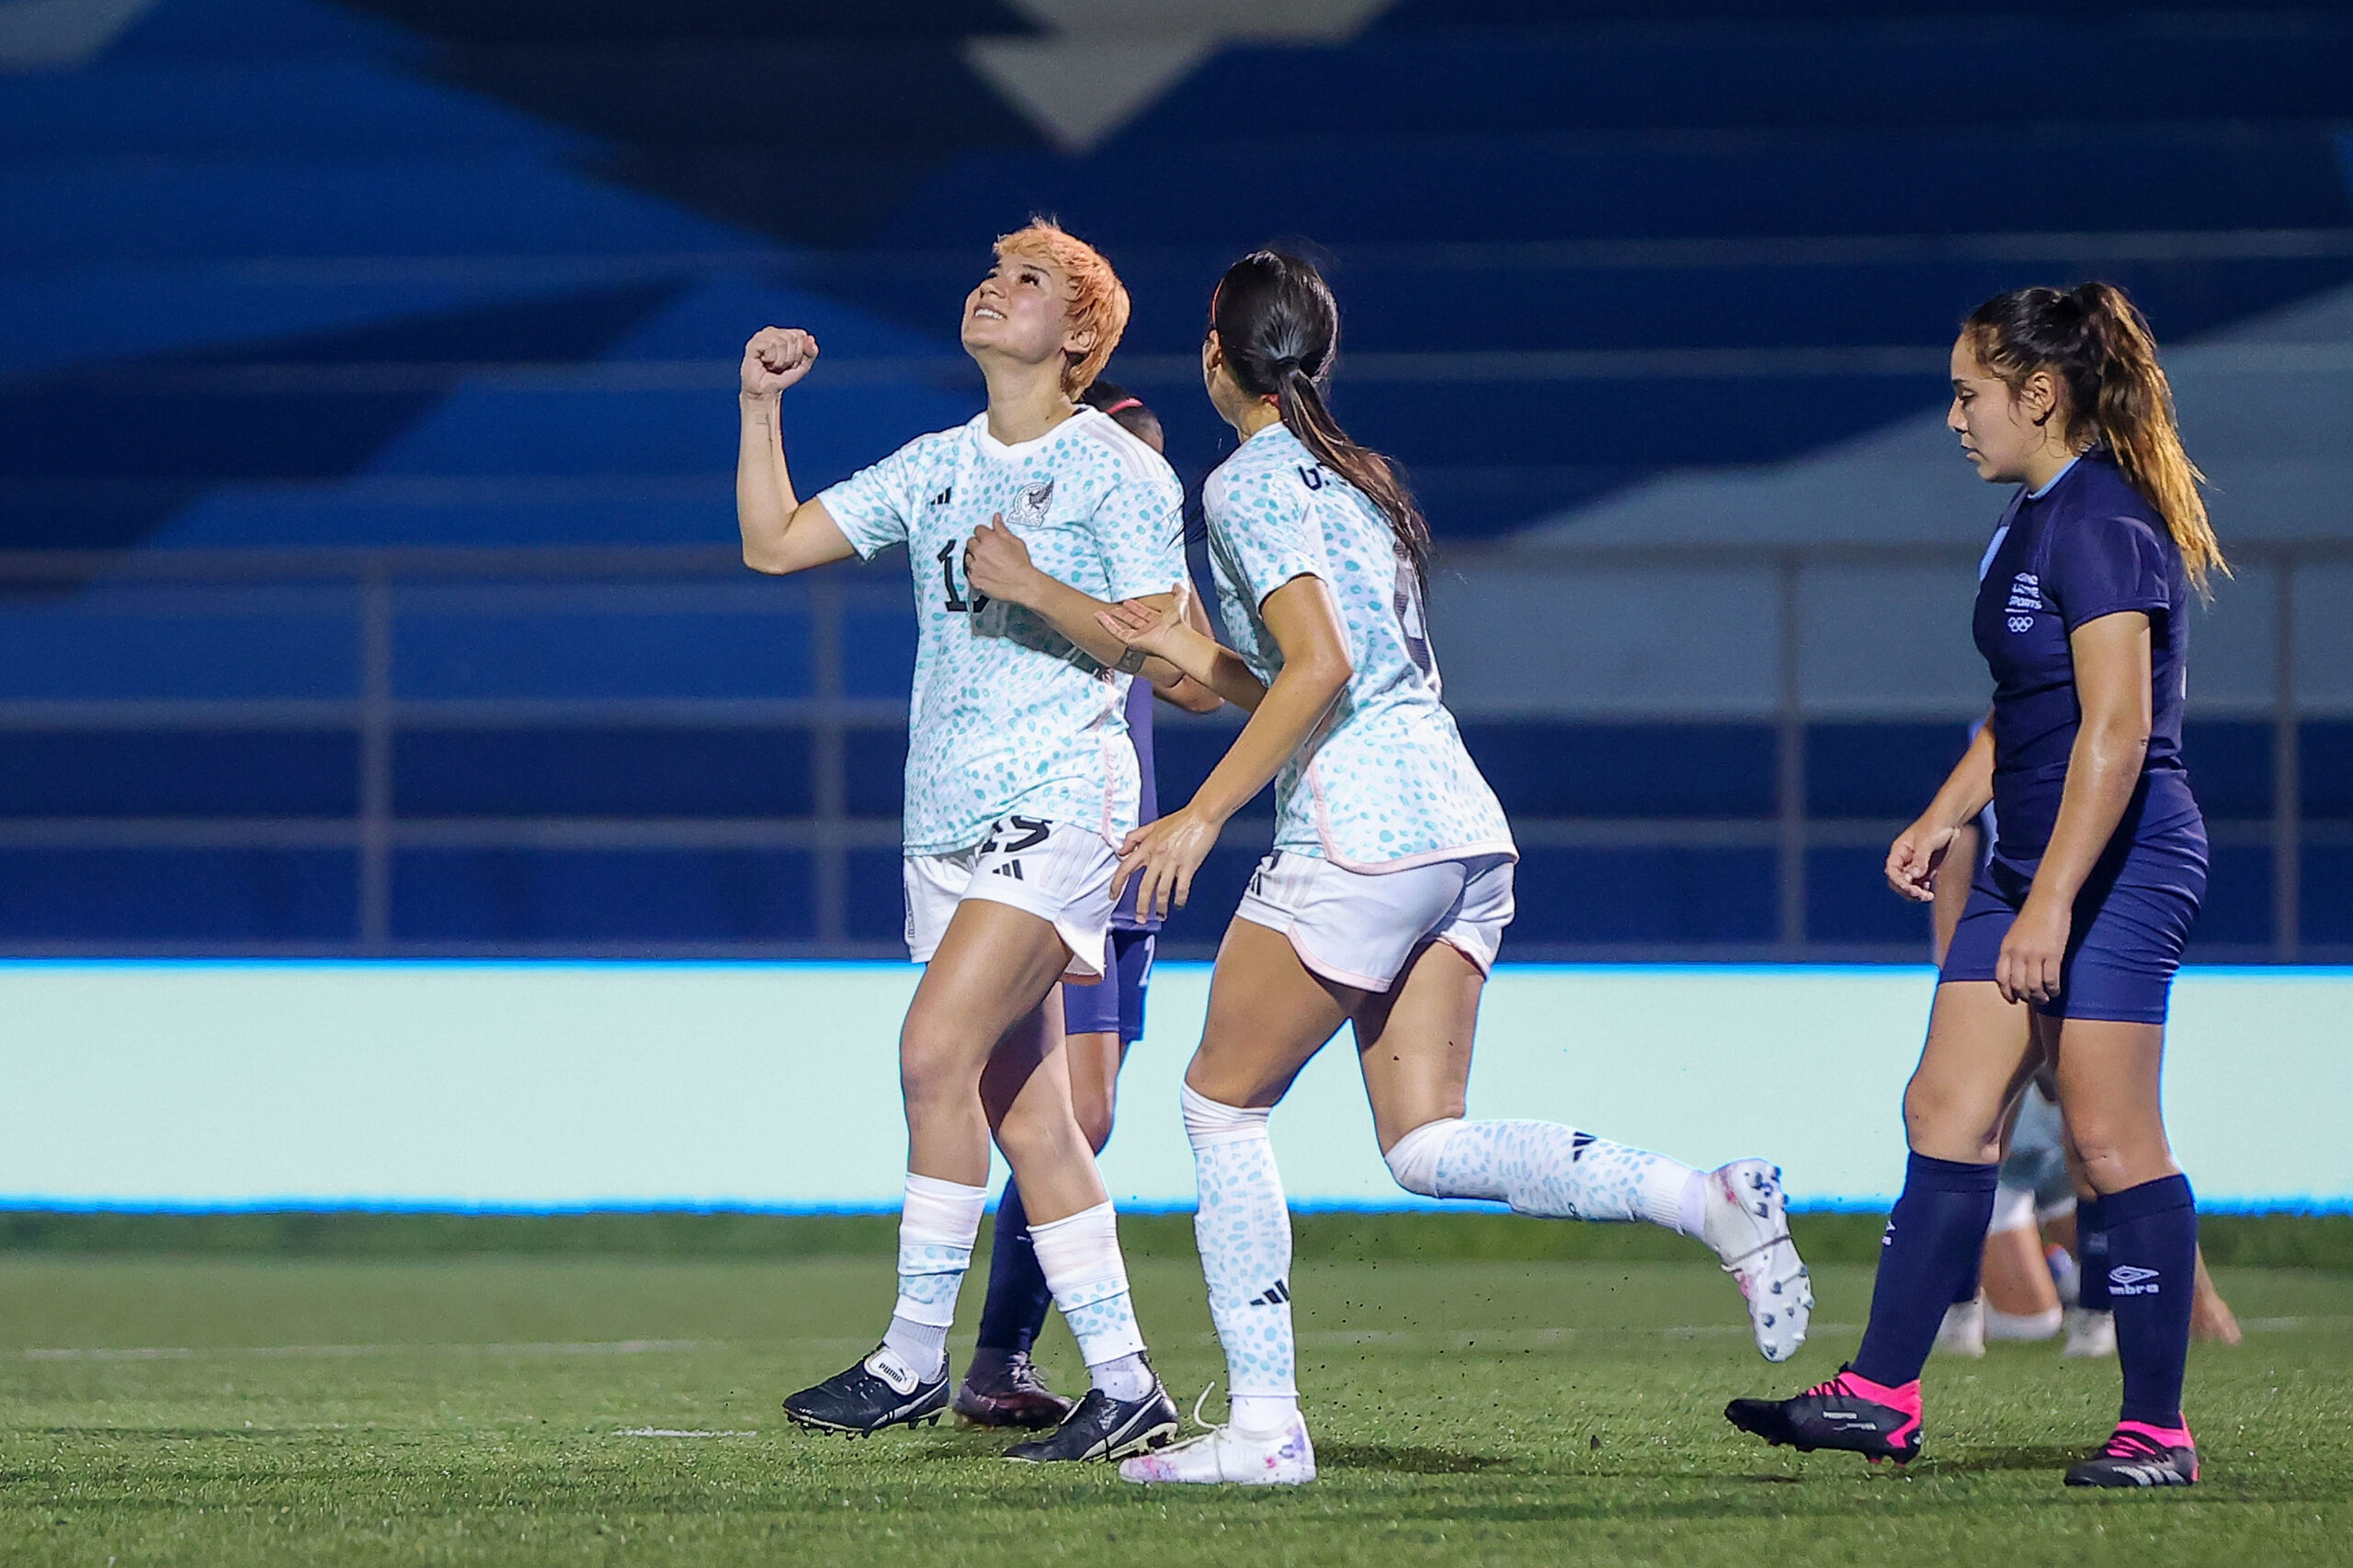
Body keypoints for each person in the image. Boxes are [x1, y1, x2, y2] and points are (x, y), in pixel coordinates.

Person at [1087, 251, 1814, 1488]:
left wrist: (1202, 815)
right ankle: (1708, 1198)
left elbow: (1317, 675)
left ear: (1218, 358)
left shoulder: (1246, 481)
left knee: (1220, 1103)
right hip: (1461, 828)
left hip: (1361, 831)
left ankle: (1264, 1427)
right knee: (1423, 1144)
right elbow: (1319, 676)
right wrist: (1193, 653)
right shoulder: (1356, 478)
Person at [1727, 281, 2226, 1489]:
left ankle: (2158, 1430)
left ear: (2040, 394)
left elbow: (2112, 733)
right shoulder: (2026, 518)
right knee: (1944, 1109)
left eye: (1970, 393)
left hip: (2117, 861)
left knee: (2108, 1138)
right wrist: (1944, 814)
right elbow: (2026, 716)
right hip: (2029, 860)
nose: (1955, 417)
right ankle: (1882, 1393)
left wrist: (2052, 900)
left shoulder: (2102, 521)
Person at [735, 221, 1189, 1463]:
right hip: (940, 819)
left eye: (1029, 281)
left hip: (1058, 800)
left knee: (933, 1048)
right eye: (994, 272)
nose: (994, 287)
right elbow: (773, 542)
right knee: (1031, 1113)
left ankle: (909, 1355)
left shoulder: (1120, 473)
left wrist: (1038, 585)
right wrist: (758, 405)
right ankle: (1130, 1380)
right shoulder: (936, 463)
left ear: (1081, 340)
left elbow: (1176, 656)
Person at [956, 382, 1223, 1429]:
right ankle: (973, 1354)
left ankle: (995, 1361)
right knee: (1034, 1096)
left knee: (1091, 1109)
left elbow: (1196, 678)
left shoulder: (1133, 560)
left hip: (1123, 848)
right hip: (1047, 840)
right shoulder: (1017, 555)